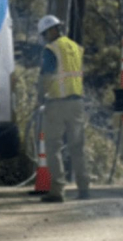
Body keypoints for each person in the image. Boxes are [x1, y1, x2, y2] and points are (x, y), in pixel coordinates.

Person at [37, 15, 90, 203]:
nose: (45, 38)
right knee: (77, 147)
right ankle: (84, 188)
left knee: (53, 147)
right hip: (77, 103)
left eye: (45, 34)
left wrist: (39, 97)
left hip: (57, 103)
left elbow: (46, 75)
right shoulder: (75, 47)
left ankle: (57, 191)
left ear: (51, 31)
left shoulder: (51, 49)